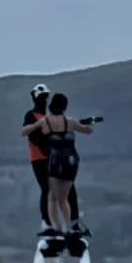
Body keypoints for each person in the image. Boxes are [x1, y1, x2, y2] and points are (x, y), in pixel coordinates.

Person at [22, 92, 93, 235]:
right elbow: (88, 131)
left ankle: (55, 228)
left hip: (55, 162)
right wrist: (86, 124)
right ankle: (72, 225)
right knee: (67, 196)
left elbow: (25, 131)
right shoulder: (70, 121)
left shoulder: (45, 122)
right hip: (71, 162)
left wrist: (34, 127)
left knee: (53, 198)